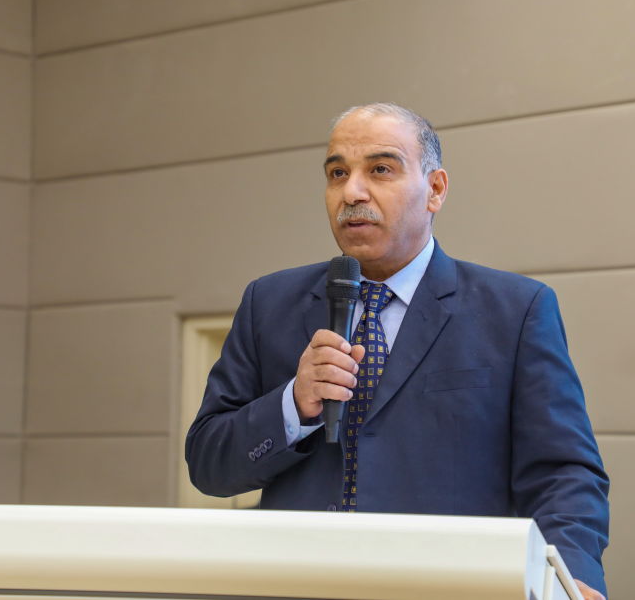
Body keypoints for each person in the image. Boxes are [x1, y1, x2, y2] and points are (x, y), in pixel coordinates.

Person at [186, 103, 610, 599]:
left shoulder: (515, 311)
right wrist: (293, 405)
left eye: (381, 169)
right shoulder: (269, 303)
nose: (352, 192)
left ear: (435, 189)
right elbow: (209, 464)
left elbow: (562, 472)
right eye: (337, 173)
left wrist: (570, 577)